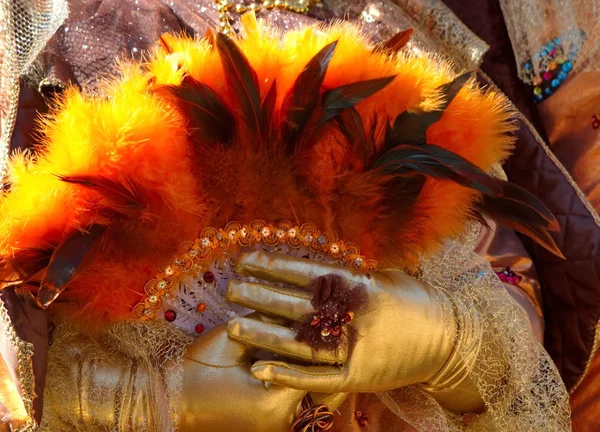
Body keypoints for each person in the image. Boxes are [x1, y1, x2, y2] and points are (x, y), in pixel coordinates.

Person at [0, 1, 583, 431]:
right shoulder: (44, 46)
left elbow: (520, 332)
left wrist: (445, 344)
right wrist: (151, 400)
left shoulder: (384, 24)